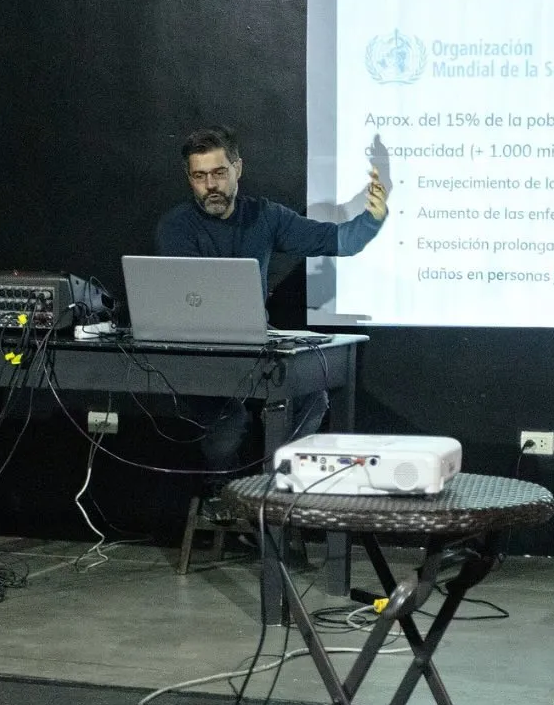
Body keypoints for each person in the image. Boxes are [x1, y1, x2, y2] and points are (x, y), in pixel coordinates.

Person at [154, 124, 387, 490]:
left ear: (238, 168)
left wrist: (372, 219)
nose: (211, 185)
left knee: (313, 397)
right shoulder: (176, 226)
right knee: (228, 427)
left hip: (255, 349)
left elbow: (336, 241)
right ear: (189, 178)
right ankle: (225, 498)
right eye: (199, 177)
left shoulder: (264, 216)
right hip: (200, 355)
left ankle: (273, 490)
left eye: (219, 173)